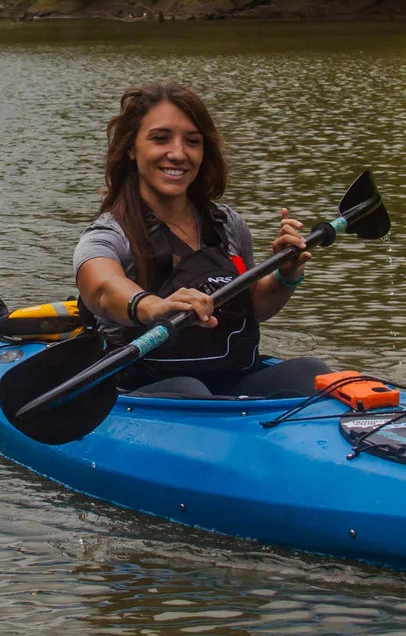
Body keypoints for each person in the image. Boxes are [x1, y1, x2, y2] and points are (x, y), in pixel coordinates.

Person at [72, 82, 342, 399]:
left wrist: (286, 274)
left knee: (312, 372)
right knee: (191, 390)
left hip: (232, 385)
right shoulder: (109, 233)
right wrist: (152, 306)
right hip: (146, 391)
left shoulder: (228, 225)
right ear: (132, 148)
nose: (178, 153)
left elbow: (252, 307)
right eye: (160, 139)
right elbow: (102, 289)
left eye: (192, 142)